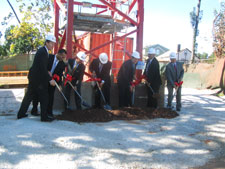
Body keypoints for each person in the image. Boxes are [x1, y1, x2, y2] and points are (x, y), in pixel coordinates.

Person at [17, 34, 56, 122]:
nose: (53, 46)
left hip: (34, 78)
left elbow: (41, 67)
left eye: (53, 44)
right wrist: (50, 79)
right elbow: (42, 68)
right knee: (44, 97)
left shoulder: (43, 51)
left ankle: (21, 114)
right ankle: (44, 117)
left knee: (29, 96)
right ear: (47, 42)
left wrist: (47, 72)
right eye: (51, 44)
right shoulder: (43, 52)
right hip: (38, 80)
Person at [31, 49, 67, 117]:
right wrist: (47, 72)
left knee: (51, 97)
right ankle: (34, 110)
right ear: (58, 54)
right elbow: (42, 67)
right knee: (38, 96)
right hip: (43, 79)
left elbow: (60, 75)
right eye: (62, 57)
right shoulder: (48, 57)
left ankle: (49, 113)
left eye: (64, 57)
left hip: (52, 82)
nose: (63, 59)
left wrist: (59, 84)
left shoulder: (62, 64)